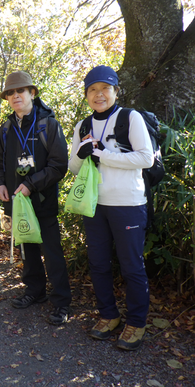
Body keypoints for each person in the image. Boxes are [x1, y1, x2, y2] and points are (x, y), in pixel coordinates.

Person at [68, 65, 153, 350]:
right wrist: (81, 155)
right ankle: (109, 316)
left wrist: (104, 155)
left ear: (116, 91)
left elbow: (146, 159)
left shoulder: (130, 118)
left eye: (105, 88)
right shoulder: (82, 126)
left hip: (127, 204)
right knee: (98, 263)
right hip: (94, 205)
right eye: (92, 89)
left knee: (131, 266)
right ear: (86, 95)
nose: (99, 94)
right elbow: (73, 167)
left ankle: (136, 323)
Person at [0, 71, 72, 325]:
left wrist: (30, 184)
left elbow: (59, 165)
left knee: (52, 252)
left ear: (32, 93)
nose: (16, 96)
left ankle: (61, 303)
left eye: (21, 91)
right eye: (11, 93)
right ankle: (34, 291)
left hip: (42, 201)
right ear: (7, 98)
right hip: (17, 202)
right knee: (27, 249)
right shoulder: (6, 129)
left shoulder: (48, 124)